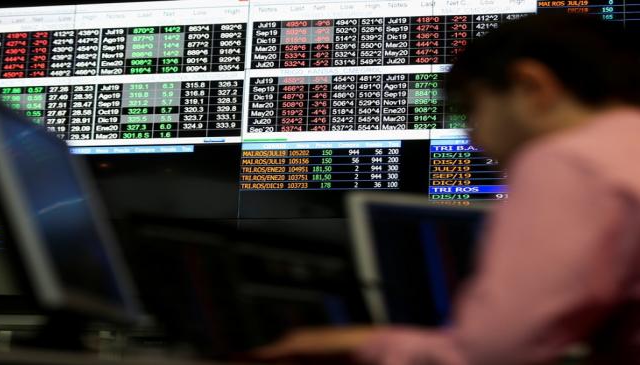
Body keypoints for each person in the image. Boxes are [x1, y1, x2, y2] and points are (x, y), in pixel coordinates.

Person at [253, 14, 640, 365]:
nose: (474, 139)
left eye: (473, 108)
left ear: (532, 86)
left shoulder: (570, 161)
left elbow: (492, 355)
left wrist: (369, 343)